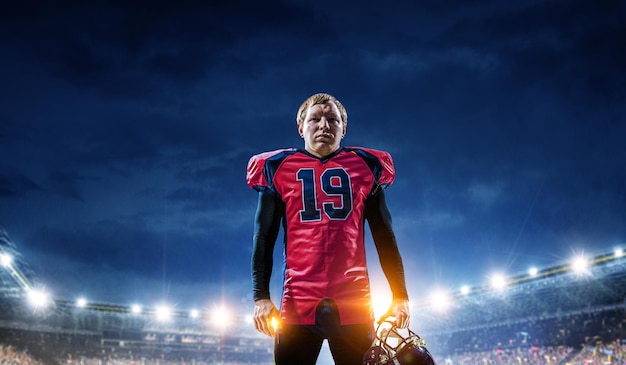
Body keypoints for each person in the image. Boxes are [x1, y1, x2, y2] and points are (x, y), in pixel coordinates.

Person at [246, 93, 411, 365]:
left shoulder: (367, 166)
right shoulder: (276, 167)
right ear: (301, 128)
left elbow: (385, 236)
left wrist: (400, 295)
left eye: (333, 119)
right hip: (298, 301)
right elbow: (264, 238)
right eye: (315, 119)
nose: (324, 125)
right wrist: (260, 296)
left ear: (344, 128)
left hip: (354, 301)